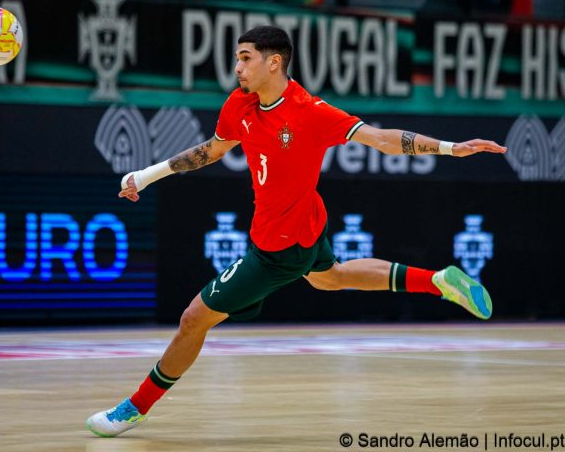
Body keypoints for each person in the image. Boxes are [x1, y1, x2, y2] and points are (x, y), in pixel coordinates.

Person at [85, 25, 507, 438]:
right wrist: (144, 176)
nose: (237, 67)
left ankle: (135, 408)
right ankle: (437, 281)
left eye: (245, 58)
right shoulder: (239, 104)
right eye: (237, 58)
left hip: (277, 248)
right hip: (305, 226)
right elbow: (210, 151)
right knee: (331, 277)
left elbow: (381, 139)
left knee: (193, 319)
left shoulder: (310, 111)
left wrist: (450, 148)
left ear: (274, 63)